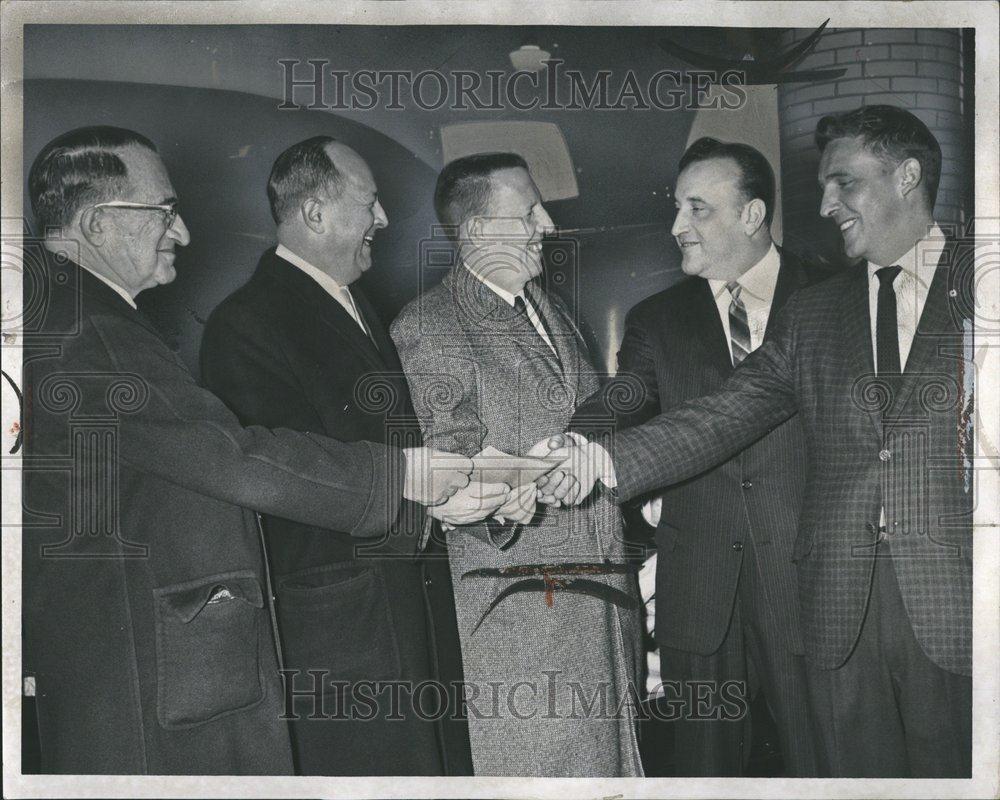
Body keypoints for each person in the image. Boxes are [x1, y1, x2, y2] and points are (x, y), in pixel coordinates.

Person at [21, 126, 472, 774]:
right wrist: (405, 473)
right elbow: (228, 457)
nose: (181, 234)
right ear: (97, 225)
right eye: (165, 211)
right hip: (143, 673)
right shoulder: (96, 334)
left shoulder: (59, 316)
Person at [540, 105, 973, 778]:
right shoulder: (818, 312)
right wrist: (594, 455)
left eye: (844, 182)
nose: (826, 202)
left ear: (908, 176)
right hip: (833, 608)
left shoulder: (981, 284)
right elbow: (726, 411)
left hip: (955, 604)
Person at [200, 137, 498, 775]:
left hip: (398, 615)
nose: (384, 220)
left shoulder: (356, 304)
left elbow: (353, 445)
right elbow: (283, 480)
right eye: (370, 203)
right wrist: (416, 484)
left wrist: (429, 459)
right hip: (343, 636)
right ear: (314, 214)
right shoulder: (246, 323)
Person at [390, 153, 643, 777]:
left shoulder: (547, 308)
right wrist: (519, 481)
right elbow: (450, 471)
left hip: (600, 612)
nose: (548, 225)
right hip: (523, 630)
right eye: (528, 211)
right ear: (478, 233)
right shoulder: (430, 325)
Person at [583, 137, 823, 776]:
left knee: (826, 770)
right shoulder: (656, 319)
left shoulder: (834, 296)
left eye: (698, 209)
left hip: (812, 589)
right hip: (699, 599)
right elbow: (618, 411)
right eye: (676, 208)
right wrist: (558, 452)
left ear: (752, 214)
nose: (676, 226)